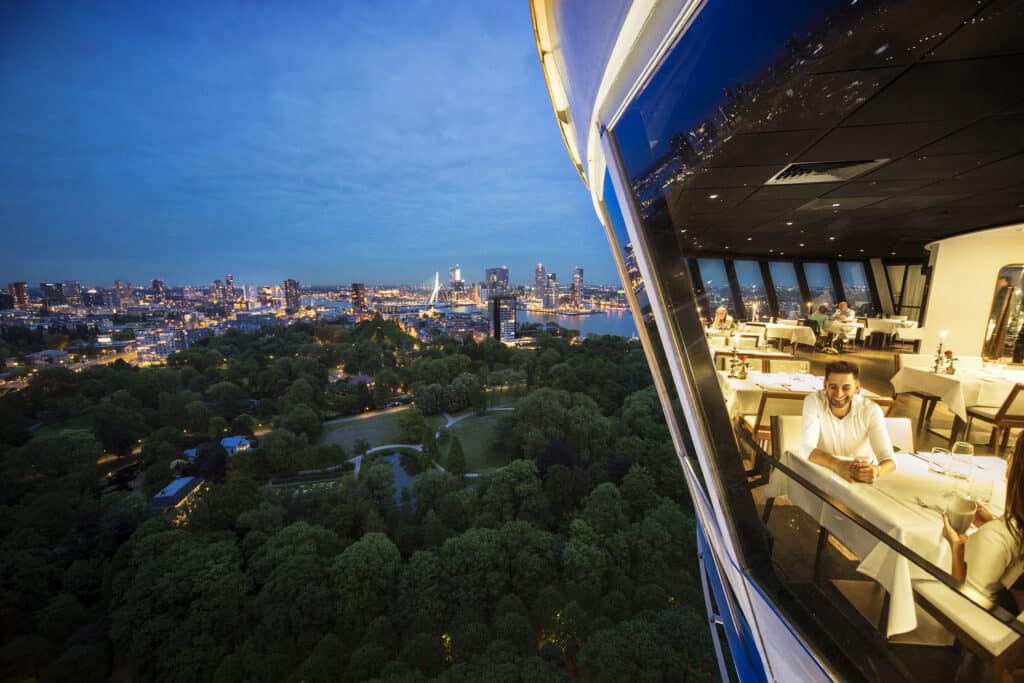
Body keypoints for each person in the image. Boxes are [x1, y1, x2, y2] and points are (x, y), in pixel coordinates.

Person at [943, 435, 1024, 607]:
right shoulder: (1004, 531)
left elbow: (964, 606)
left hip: (989, 627)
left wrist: (956, 549)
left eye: (1011, 453)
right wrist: (993, 523)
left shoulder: (993, 536)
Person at [801, 360, 896, 483]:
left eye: (846, 388)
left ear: (857, 388)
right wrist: (839, 465)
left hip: (859, 478)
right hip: (823, 472)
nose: (838, 394)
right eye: (833, 387)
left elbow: (890, 460)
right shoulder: (813, 401)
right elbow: (807, 448)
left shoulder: (871, 410)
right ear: (825, 385)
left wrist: (876, 470)